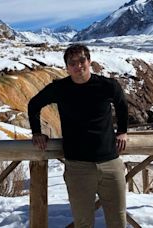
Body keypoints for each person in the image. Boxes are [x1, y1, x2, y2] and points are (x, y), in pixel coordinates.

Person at [28, 44, 128, 228]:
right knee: (83, 223)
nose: (78, 65)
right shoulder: (60, 88)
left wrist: (123, 131)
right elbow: (34, 105)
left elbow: (122, 105)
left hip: (111, 164)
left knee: (118, 221)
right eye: (72, 62)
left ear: (89, 61)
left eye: (82, 60)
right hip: (77, 167)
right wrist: (36, 132)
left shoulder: (107, 85)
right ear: (67, 67)